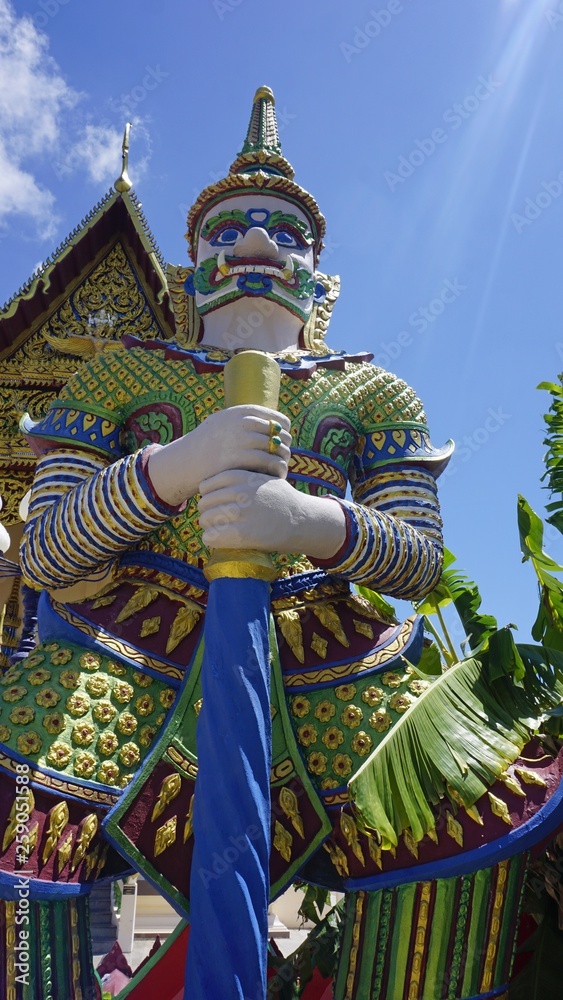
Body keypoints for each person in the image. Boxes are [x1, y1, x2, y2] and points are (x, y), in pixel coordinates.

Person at [1, 87, 455, 998]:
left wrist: (312, 523)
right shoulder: (123, 373)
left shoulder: (374, 393)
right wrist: (173, 469)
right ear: (192, 264)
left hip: (323, 648)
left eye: (286, 234)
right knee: (20, 830)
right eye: (229, 231)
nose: (256, 244)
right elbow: (47, 552)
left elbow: (422, 564)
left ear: (320, 275)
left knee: (460, 828)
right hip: (129, 645)